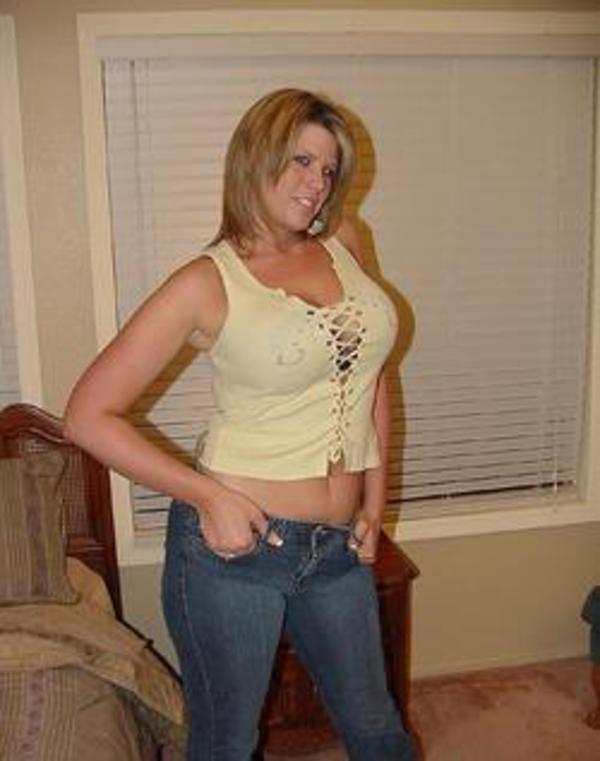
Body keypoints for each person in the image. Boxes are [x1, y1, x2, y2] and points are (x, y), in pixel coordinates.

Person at [65, 88, 415, 761]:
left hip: (336, 549)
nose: (317, 183)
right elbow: (87, 413)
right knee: (227, 742)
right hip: (236, 552)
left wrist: (374, 502)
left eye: (328, 169)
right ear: (257, 155)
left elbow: (370, 374)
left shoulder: (345, 241)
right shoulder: (207, 281)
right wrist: (208, 496)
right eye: (302, 161)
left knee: (379, 730)